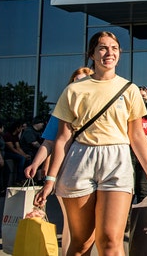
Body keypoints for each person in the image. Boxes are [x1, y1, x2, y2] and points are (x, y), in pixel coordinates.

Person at [33, 32, 147, 256]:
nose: (109, 53)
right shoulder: (74, 90)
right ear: (92, 54)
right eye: (103, 48)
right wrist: (50, 180)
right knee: (81, 242)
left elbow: (136, 136)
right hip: (81, 158)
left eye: (114, 48)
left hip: (117, 160)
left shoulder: (130, 90)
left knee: (110, 241)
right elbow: (63, 138)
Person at [25, 66, 95, 256]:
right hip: (68, 172)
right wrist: (36, 164)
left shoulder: (99, 107)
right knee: (72, 224)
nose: (78, 83)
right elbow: (49, 141)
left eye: (83, 80)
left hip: (96, 169)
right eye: (75, 80)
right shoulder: (62, 110)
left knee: (93, 226)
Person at [3, 120, 29, 187]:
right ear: (17, 128)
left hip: (14, 153)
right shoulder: (7, 135)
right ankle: (19, 179)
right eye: (20, 127)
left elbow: (18, 147)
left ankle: (25, 178)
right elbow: (12, 149)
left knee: (27, 158)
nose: (21, 129)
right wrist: (22, 155)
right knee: (21, 158)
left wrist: (25, 155)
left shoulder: (16, 136)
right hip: (7, 153)